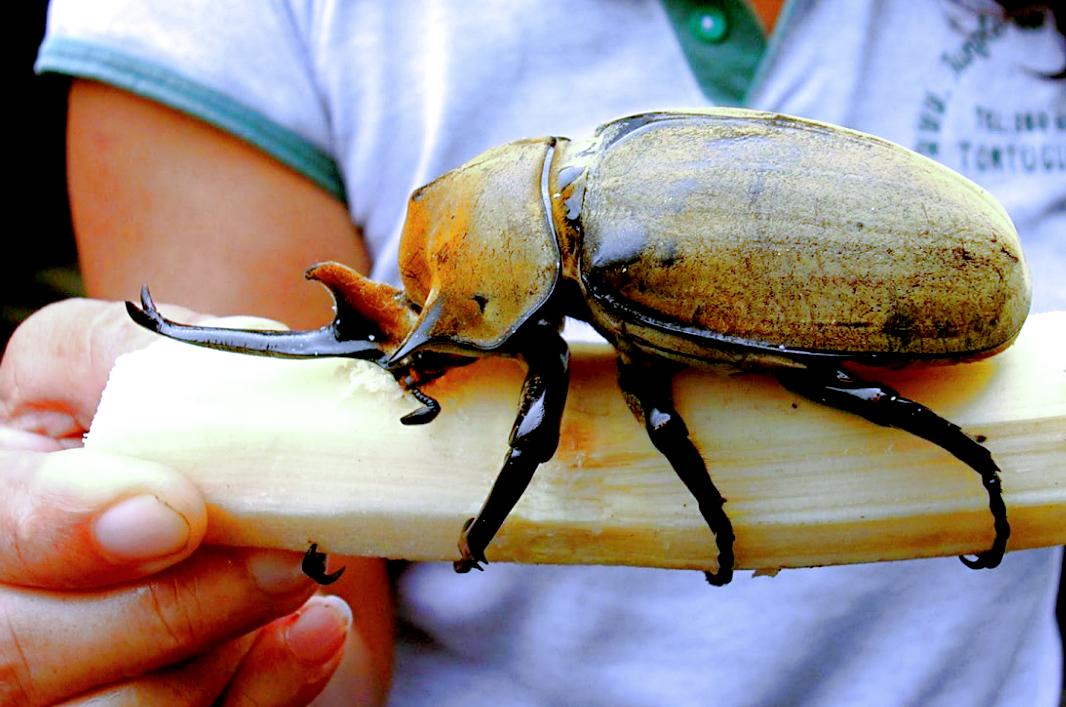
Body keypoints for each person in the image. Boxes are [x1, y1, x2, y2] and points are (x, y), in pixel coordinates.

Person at [4, 0, 1062, 704]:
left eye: (429, 323)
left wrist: (695, 521)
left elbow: (585, 430)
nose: (415, 347)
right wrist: (175, 636)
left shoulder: (609, 258)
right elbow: (329, 641)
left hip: (924, 280)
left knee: (832, 389)